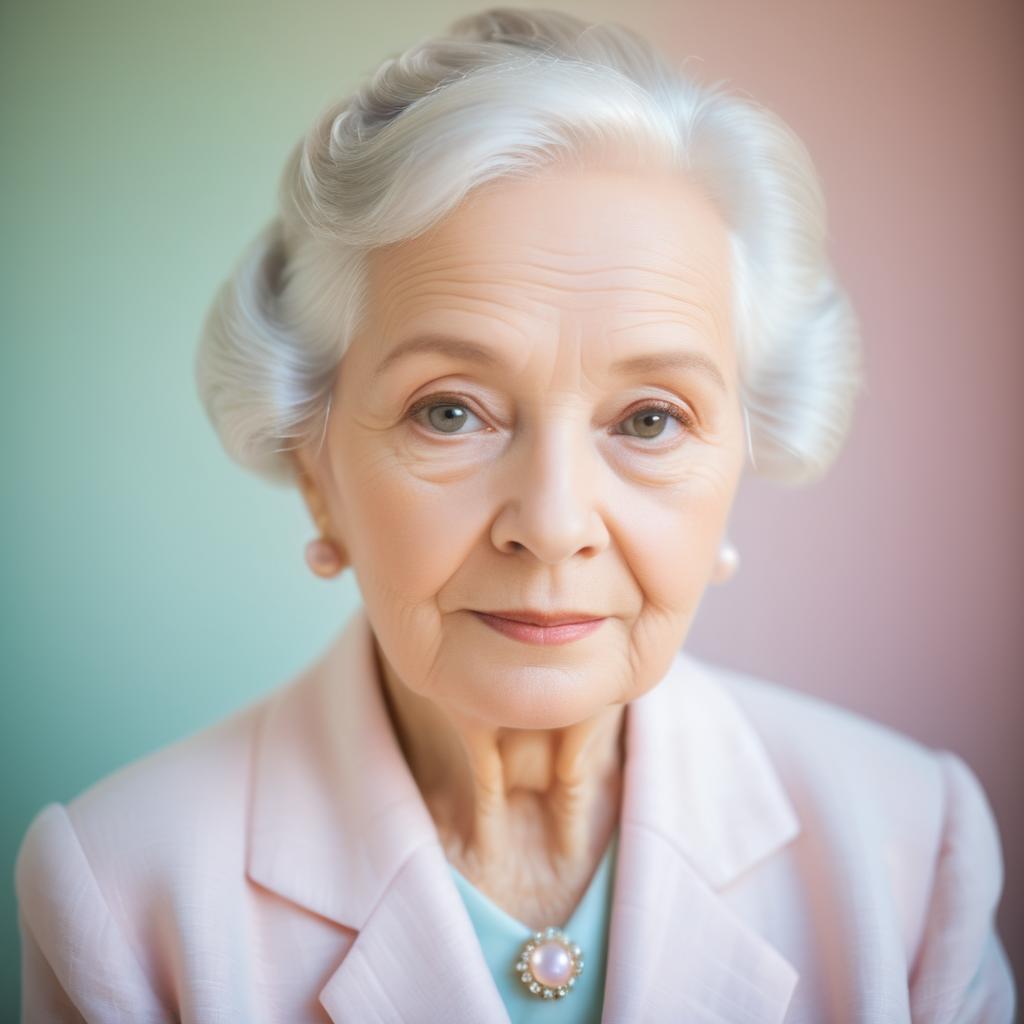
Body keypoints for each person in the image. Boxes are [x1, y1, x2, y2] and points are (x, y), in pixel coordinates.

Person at [14, 7, 1016, 1022]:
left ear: (741, 457)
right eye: (450, 411)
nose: (551, 521)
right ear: (314, 468)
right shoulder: (122, 889)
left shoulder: (907, 848)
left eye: (650, 418)